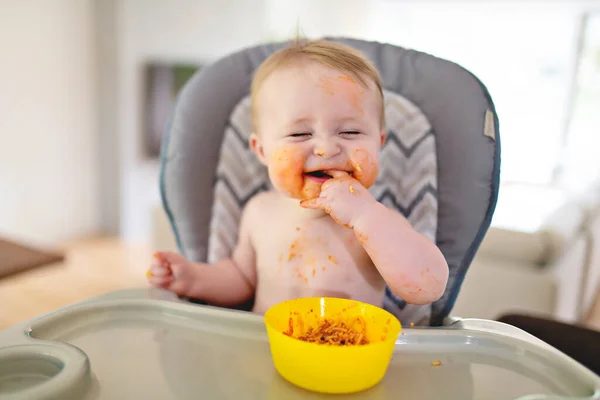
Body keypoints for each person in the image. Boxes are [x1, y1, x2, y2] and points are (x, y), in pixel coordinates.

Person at [146, 39, 449, 314]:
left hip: (348, 362)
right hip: (268, 354)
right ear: (261, 150)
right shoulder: (259, 212)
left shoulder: (381, 223)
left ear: (379, 143)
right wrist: (192, 278)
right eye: (299, 133)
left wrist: (366, 216)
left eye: (351, 132)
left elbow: (426, 287)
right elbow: (240, 278)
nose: (327, 148)